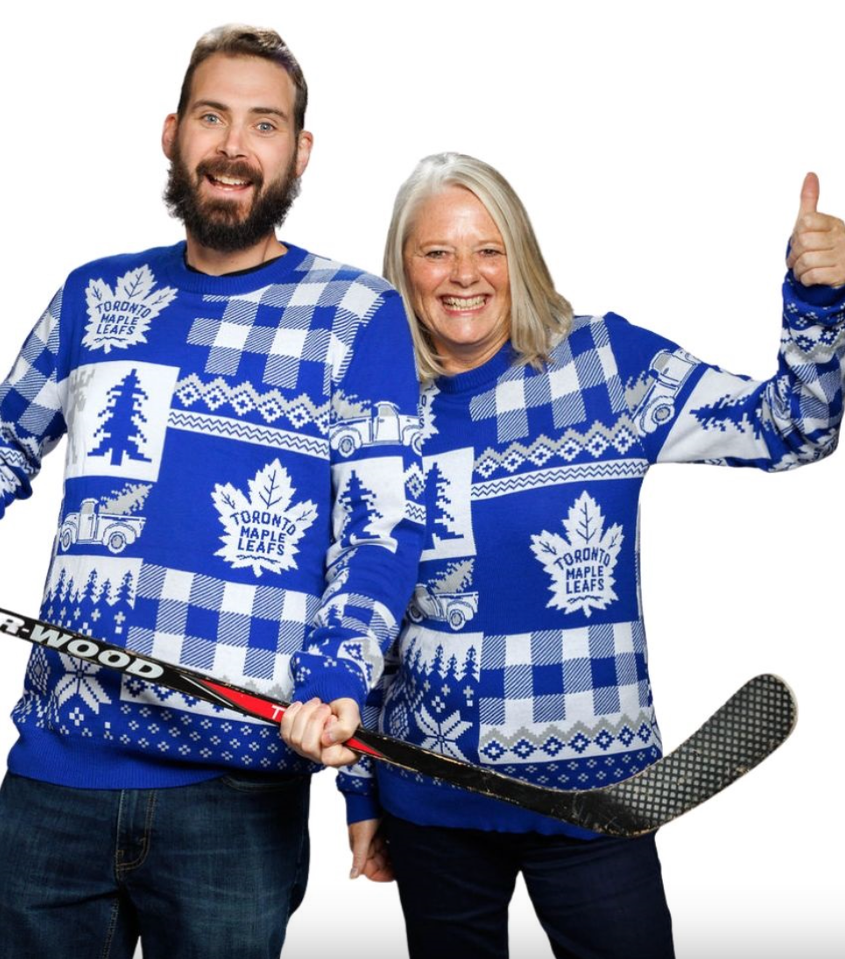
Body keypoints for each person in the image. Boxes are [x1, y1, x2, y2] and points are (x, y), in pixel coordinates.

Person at [0, 25, 422, 959]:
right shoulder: (94, 295)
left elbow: (378, 528)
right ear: (172, 133)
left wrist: (335, 678)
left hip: (237, 793)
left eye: (264, 125)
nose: (235, 146)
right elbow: (3, 440)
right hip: (56, 782)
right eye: (213, 117)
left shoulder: (357, 315)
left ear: (300, 152)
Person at [280, 152, 845, 958]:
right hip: (431, 803)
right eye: (436, 251)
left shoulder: (608, 365)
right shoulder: (379, 410)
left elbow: (795, 427)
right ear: (401, 269)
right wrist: (361, 790)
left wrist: (819, 300)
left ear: (522, 255)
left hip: (600, 799)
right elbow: (367, 600)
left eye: (488, 249)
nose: (463, 274)